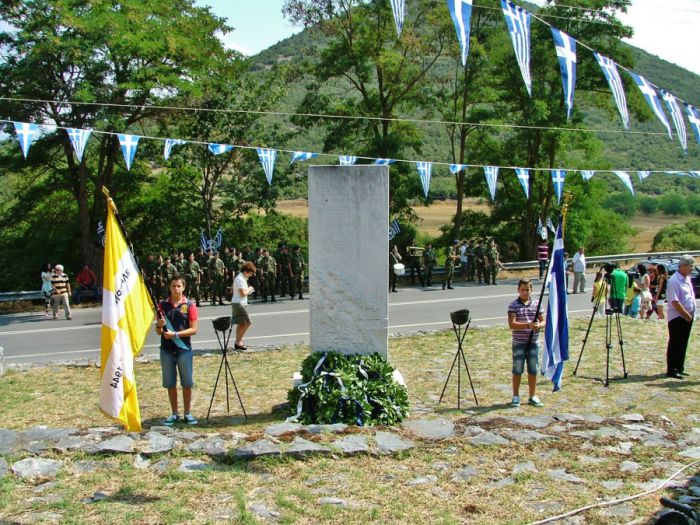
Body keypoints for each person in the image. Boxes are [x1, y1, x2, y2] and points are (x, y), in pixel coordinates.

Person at [155, 276, 199, 426]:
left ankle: (187, 413)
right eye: (173, 286)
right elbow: (158, 331)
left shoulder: (190, 305)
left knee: (187, 383)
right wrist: (159, 325)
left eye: (179, 286)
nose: (176, 289)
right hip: (166, 350)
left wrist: (175, 335)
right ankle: (174, 413)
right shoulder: (162, 305)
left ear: (183, 288)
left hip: (184, 349)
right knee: (170, 383)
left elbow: (194, 329)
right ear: (170, 287)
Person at [507, 279, 544, 408]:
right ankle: (515, 395)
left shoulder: (537, 304)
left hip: (533, 342)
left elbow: (543, 320)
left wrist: (539, 325)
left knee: (533, 369)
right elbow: (512, 324)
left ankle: (532, 395)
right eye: (522, 289)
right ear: (518, 290)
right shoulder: (513, 305)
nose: (525, 292)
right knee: (517, 369)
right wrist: (528, 325)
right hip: (519, 342)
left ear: (531, 290)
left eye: (527, 289)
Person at [665, 255, 696, 379]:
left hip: (687, 317)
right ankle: (672, 369)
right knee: (675, 342)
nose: (692, 269)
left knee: (683, 342)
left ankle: (680, 367)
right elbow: (674, 301)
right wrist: (686, 314)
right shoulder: (674, 280)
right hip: (678, 317)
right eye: (690, 266)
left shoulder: (686, 278)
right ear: (682, 266)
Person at [232, 261, 256, 350]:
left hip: (239, 303)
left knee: (242, 323)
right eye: (250, 273)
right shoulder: (240, 279)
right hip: (238, 303)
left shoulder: (242, 278)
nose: (251, 275)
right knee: (247, 322)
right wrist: (250, 289)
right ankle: (238, 342)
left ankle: (238, 342)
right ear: (246, 271)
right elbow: (242, 293)